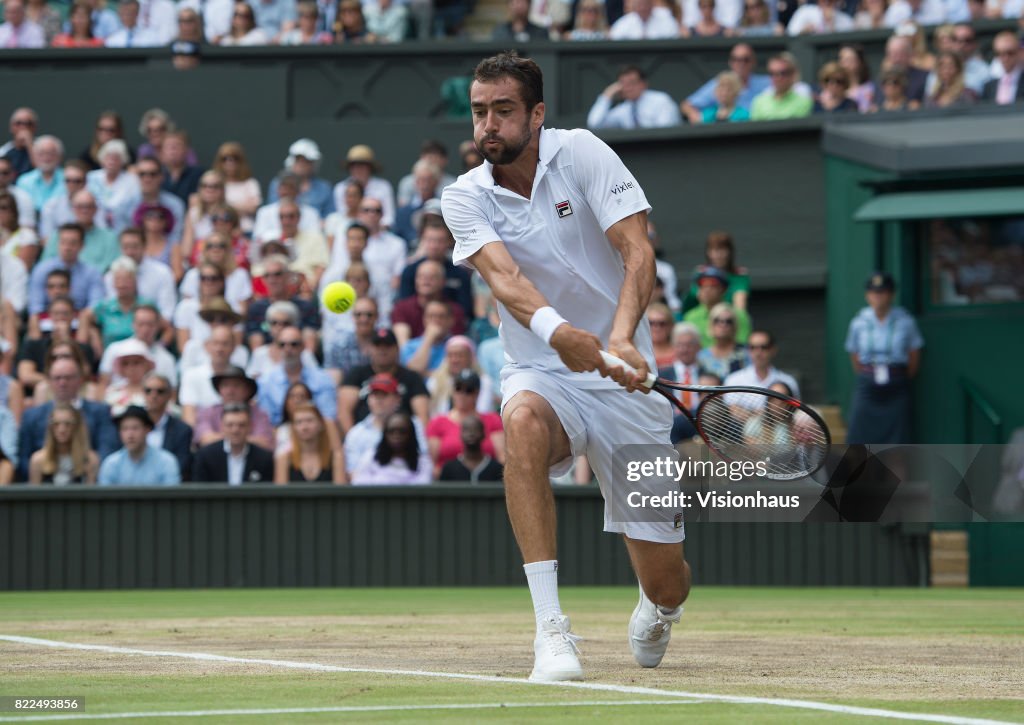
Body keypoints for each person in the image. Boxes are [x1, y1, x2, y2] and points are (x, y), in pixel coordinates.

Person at [441, 52, 690, 681]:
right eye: (479, 112)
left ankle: (657, 607)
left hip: (626, 378)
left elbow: (637, 249)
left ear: (537, 114)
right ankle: (551, 631)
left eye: (502, 111)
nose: (487, 126)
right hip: (543, 373)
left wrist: (622, 338)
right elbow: (506, 281)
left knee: (670, 580)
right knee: (520, 422)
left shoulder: (581, 152)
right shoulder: (464, 197)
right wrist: (564, 337)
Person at [845, 272, 924, 445]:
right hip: (868, 384)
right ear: (867, 296)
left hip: (896, 384)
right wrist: (869, 372)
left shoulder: (905, 321)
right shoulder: (859, 322)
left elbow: (914, 354)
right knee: (858, 438)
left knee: (898, 442)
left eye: (883, 292)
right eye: (874, 292)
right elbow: (854, 354)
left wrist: (898, 374)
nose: (878, 297)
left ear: (891, 294)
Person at [17, 356, 118, 478]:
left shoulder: (100, 412)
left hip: (86, 480)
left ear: (80, 379)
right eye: (57, 378)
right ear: (49, 381)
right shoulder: (31, 416)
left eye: (68, 378)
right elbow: (23, 459)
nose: (62, 383)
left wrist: (89, 469)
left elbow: (107, 451)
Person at [338, 328, 430, 435]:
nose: (382, 350)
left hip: (403, 437)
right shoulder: (357, 374)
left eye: (387, 346)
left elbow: (423, 416)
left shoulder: (412, 377)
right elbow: (344, 411)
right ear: (370, 349)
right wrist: (354, 438)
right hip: (365, 435)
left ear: (397, 349)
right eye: (378, 346)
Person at [256, 324, 337, 426]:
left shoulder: (322, 379)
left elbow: (329, 417)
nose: (288, 348)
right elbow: (267, 421)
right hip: (279, 435)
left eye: (294, 344)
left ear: (303, 346)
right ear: (277, 348)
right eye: (282, 345)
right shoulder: (265, 381)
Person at [427, 369, 504, 475]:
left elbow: (502, 458)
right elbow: (432, 463)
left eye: (468, 390)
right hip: (448, 482)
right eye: (458, 388)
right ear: (452, 391)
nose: (462, 394)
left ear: (477, 393)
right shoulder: (438, 422)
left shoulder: (492, 420)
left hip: (485, 478)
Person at [681, 43, 771, 123]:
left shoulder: (767, 83)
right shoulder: (719, 83)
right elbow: (687, 105)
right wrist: (699, 120)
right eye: (736, 59)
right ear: (730, 62)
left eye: (745, 59)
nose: (741, 63)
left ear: (753, 62)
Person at [193, 365, 275, 449]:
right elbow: (205, 440)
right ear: (219, 390)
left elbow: (265, 444)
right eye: (225, 385)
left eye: (236, 385)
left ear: (247, 390)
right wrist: (242, 439)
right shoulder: (207, 412)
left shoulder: (260, 414)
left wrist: (227, 439)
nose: (230, 391)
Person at [192, 403, 275, 484]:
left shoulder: (264, 458)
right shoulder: (205, 456)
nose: (235, 430)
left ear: (250, 427)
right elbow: (199, 492)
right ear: (222, 427)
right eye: (230, 425)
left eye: (241, 425)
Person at [98, 405, 181, 486]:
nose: (130, 435)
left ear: (147, 430)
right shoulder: (111, 464)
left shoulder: (166, 462)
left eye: (135, 428)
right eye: (124, 429)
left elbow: (172, 497)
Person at [587, 66, 682, 130]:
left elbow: (664, 133)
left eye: (632, 83)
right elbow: (594, 124)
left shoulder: (661, 101)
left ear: (644, 84)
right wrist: (607, 95)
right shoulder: (624, 109)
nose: (628, 88)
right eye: (623, 84)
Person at [351, 411, 432, 485]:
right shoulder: (371, 457)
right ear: (385, 434)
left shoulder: (423, 462)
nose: (396, 436)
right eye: (391, 431)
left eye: (402, 432)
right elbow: (359, 483)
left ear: (411, 434)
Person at [27, 402, 99, 484]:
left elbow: (91, 495)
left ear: (76, 426)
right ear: (50, 427)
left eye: (68, 424)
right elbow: (34, 495)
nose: (62, 430)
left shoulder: (89, 460)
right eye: (56, 424)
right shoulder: (38, 460)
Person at [274, 403, 346, 483]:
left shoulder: (335, 458)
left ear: (321, 424)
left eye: (310, 421)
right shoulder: (284, 459)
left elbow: (340, 491)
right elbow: (280, 493)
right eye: (299, 422)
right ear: (293, 427)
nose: (304, 427)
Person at [657, 322, 702, 443]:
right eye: (680, 345)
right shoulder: (661, 376)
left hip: (700, 424)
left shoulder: (708, 375)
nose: (684, 350)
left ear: (698, 346)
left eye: (689, 345)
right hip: (671, 426)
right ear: (673, 347)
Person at [143, 372, 193, 481]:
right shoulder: (132, 426)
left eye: (160, 391)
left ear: (169, 395)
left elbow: (181, 466)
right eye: (148, 391)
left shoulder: (182, 430)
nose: (153, 395)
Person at [684, 231, 750, 313]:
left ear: (730, 252)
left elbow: (740, 306)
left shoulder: (739, 275)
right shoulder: (700, 273)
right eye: (714, 250)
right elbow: (703, 300)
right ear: (708, 253)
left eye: (722, 250)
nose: (718, 255)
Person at [683, 266, 751, 346]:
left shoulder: (739, 315)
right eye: (702, 285)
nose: (706, 289)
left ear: (724, 289)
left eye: (712, 285)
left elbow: (743, 345)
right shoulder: (690, 317)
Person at [723, 329, 800, 399]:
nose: (758, 352)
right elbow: (734, 411)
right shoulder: (733, 381)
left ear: (773, 350)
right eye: (753, 347)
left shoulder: (789, 382)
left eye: (764, 347)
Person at [332, 145, 396, 229]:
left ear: (370, 168)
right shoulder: (340, 188)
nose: (358, 169)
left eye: (362, 165)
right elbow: (342, 214)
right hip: (349, 234)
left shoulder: (383, 187)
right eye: (354, 165)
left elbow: (388, 218)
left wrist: (374, 231)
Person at [211, 142, 262, 233]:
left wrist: (226, 205)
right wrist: (241, 206)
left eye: (235, 158)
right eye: (225, 159)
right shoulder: (214, 183)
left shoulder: (250, 183)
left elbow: (252, 208)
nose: (230, 162)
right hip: (217, 232)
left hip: (246, 231)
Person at [438, 415, 505, 483]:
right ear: (460, 434)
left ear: (483, 434)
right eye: (467, 430)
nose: (471, 433)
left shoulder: (496, 468)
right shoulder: (449, 469)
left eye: (476, 429)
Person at [751, 52, 813, 121]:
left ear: (793, 74)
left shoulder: (804, 102)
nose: (777, 78)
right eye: (772, 73)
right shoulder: (759, 102)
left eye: (783, 73)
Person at [696, 302, 750, 380]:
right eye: (717, 320)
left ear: (734, 326)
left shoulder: (746, 352)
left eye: (728, 321)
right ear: (711, 325)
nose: (723, 324)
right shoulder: (702, 356)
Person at [15, 135, 64, 213]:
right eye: (41, 153)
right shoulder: (24, 181)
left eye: (51, 153)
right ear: (34, 156)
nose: (46, 157)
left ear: (60, 156)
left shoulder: (69, 179)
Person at [982, 32, 1024, 105]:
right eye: (999, 53)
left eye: (1010, 53)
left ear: (1019, 52)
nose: (1005, 58)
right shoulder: (989, 87)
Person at [608, 0, 679, 39]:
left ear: (651, 5)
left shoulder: (665, 18)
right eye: (640, 5)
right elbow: (614, 37)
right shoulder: (626, 21)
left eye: (645, 4)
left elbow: (674, 36)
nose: (643, 8)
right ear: (635, 7)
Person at [786, 0, 853, 35]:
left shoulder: (845, 19)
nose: (827, 2)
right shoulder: (805, 11)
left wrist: (831, 24)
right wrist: (803, 31)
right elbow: (790, 33)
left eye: (830, 1)